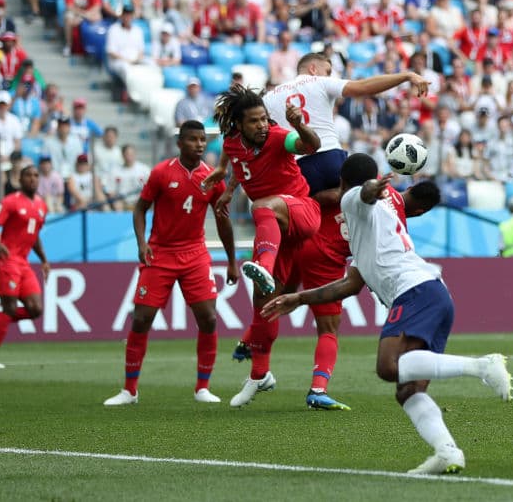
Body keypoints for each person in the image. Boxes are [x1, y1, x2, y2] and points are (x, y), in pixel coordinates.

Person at [262, 154, 512, 475]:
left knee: (387, 366)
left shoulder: (352, 200)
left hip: (415, 291)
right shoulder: (369, 229)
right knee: (408, 391)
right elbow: (349, 285)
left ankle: (482, 366)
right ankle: (447, 452)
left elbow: (362, 192)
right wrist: (297, 298)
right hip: (433, 291)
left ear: (340, 183)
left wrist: (370, 186)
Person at [236, 179, 443, 410]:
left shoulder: (373, 191)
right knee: (328, 330)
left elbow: (321, 198)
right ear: (421, 212)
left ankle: (249, 341)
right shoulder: (396, 223)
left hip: (300, 242)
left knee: (277, 298)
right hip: (326, 260)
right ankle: (318, 389)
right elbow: (366, 263)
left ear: (411, 188)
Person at [103, 121, 238, 406]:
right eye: (193, 140)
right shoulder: (162, 172)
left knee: (209, 318)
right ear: (180, 143)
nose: (200, 144)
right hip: (161, 254)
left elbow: (223, 221)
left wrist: (231, 261)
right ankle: (130, 390)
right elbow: (140, 209)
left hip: (195, 254)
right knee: (141, 319)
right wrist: (142, 244)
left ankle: (202, 387)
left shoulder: (213, 178)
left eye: (203, 140)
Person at [206, 85, 322, 407]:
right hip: (277, 233)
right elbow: (237, 165)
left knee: (262, 207)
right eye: (254, 121)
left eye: (263, 119)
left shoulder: (278, 137)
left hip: (301, 212)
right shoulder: (232, 143)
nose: (261, 125)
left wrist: (298, 124)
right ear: (239, 125)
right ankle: (260, 375)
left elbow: (311, 145)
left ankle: (264, 269)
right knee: (264, 307)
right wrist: (228, 187)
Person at [260, 52, 428, 195]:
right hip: (330, 158)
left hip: (298, 170)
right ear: (313, 69)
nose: (328, 76)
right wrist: (405, 76)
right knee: (361, 200)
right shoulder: (320, 81)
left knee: (318, 215)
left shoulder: (269, 97)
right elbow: (364, 87)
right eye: (327, 71)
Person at [0, 165, 50, 369]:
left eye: (36, 175)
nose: (33, 179)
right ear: (21, 179)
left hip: (23, 263)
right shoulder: (10, 202)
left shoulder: (42, 206)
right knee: (10, 307)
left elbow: (33, 236)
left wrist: (43, 259)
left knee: (36, 309)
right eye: (28, 175)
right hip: (5, 259)